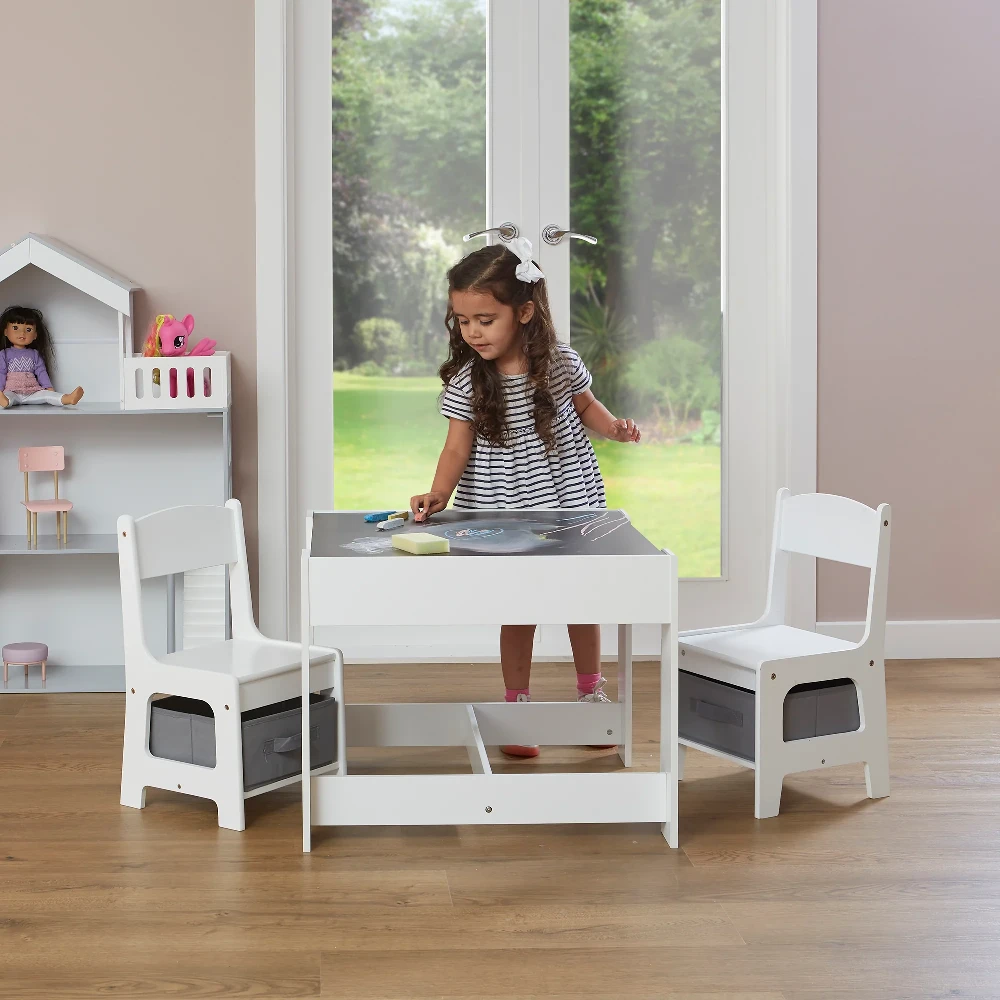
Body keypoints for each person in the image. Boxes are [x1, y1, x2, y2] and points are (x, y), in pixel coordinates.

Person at [410, 239, 640, 757]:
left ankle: (591, 695)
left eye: (485, 320)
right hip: (507, 510)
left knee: (581, 601)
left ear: (525, 312)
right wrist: (439, 493)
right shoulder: (469, 381)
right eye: (463, 321)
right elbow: (455, 447)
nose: (473, 332)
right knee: (519, 609)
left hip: (567, 500)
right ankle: (517, 706)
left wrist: (613, 428)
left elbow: (587, 405)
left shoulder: (559, 363)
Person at [0, 305, 84, 408]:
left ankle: (67, 398)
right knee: (8, 397)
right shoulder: (4, 354)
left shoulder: (35, 354)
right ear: (5, 331)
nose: (22, 333)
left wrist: (49, 388)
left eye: (28, 329)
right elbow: (1, 373)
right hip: (12, 390)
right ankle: (5, 401)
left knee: (47, 395)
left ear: (35, 335)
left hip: (33, 391)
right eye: (15, 328)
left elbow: (41, 372)